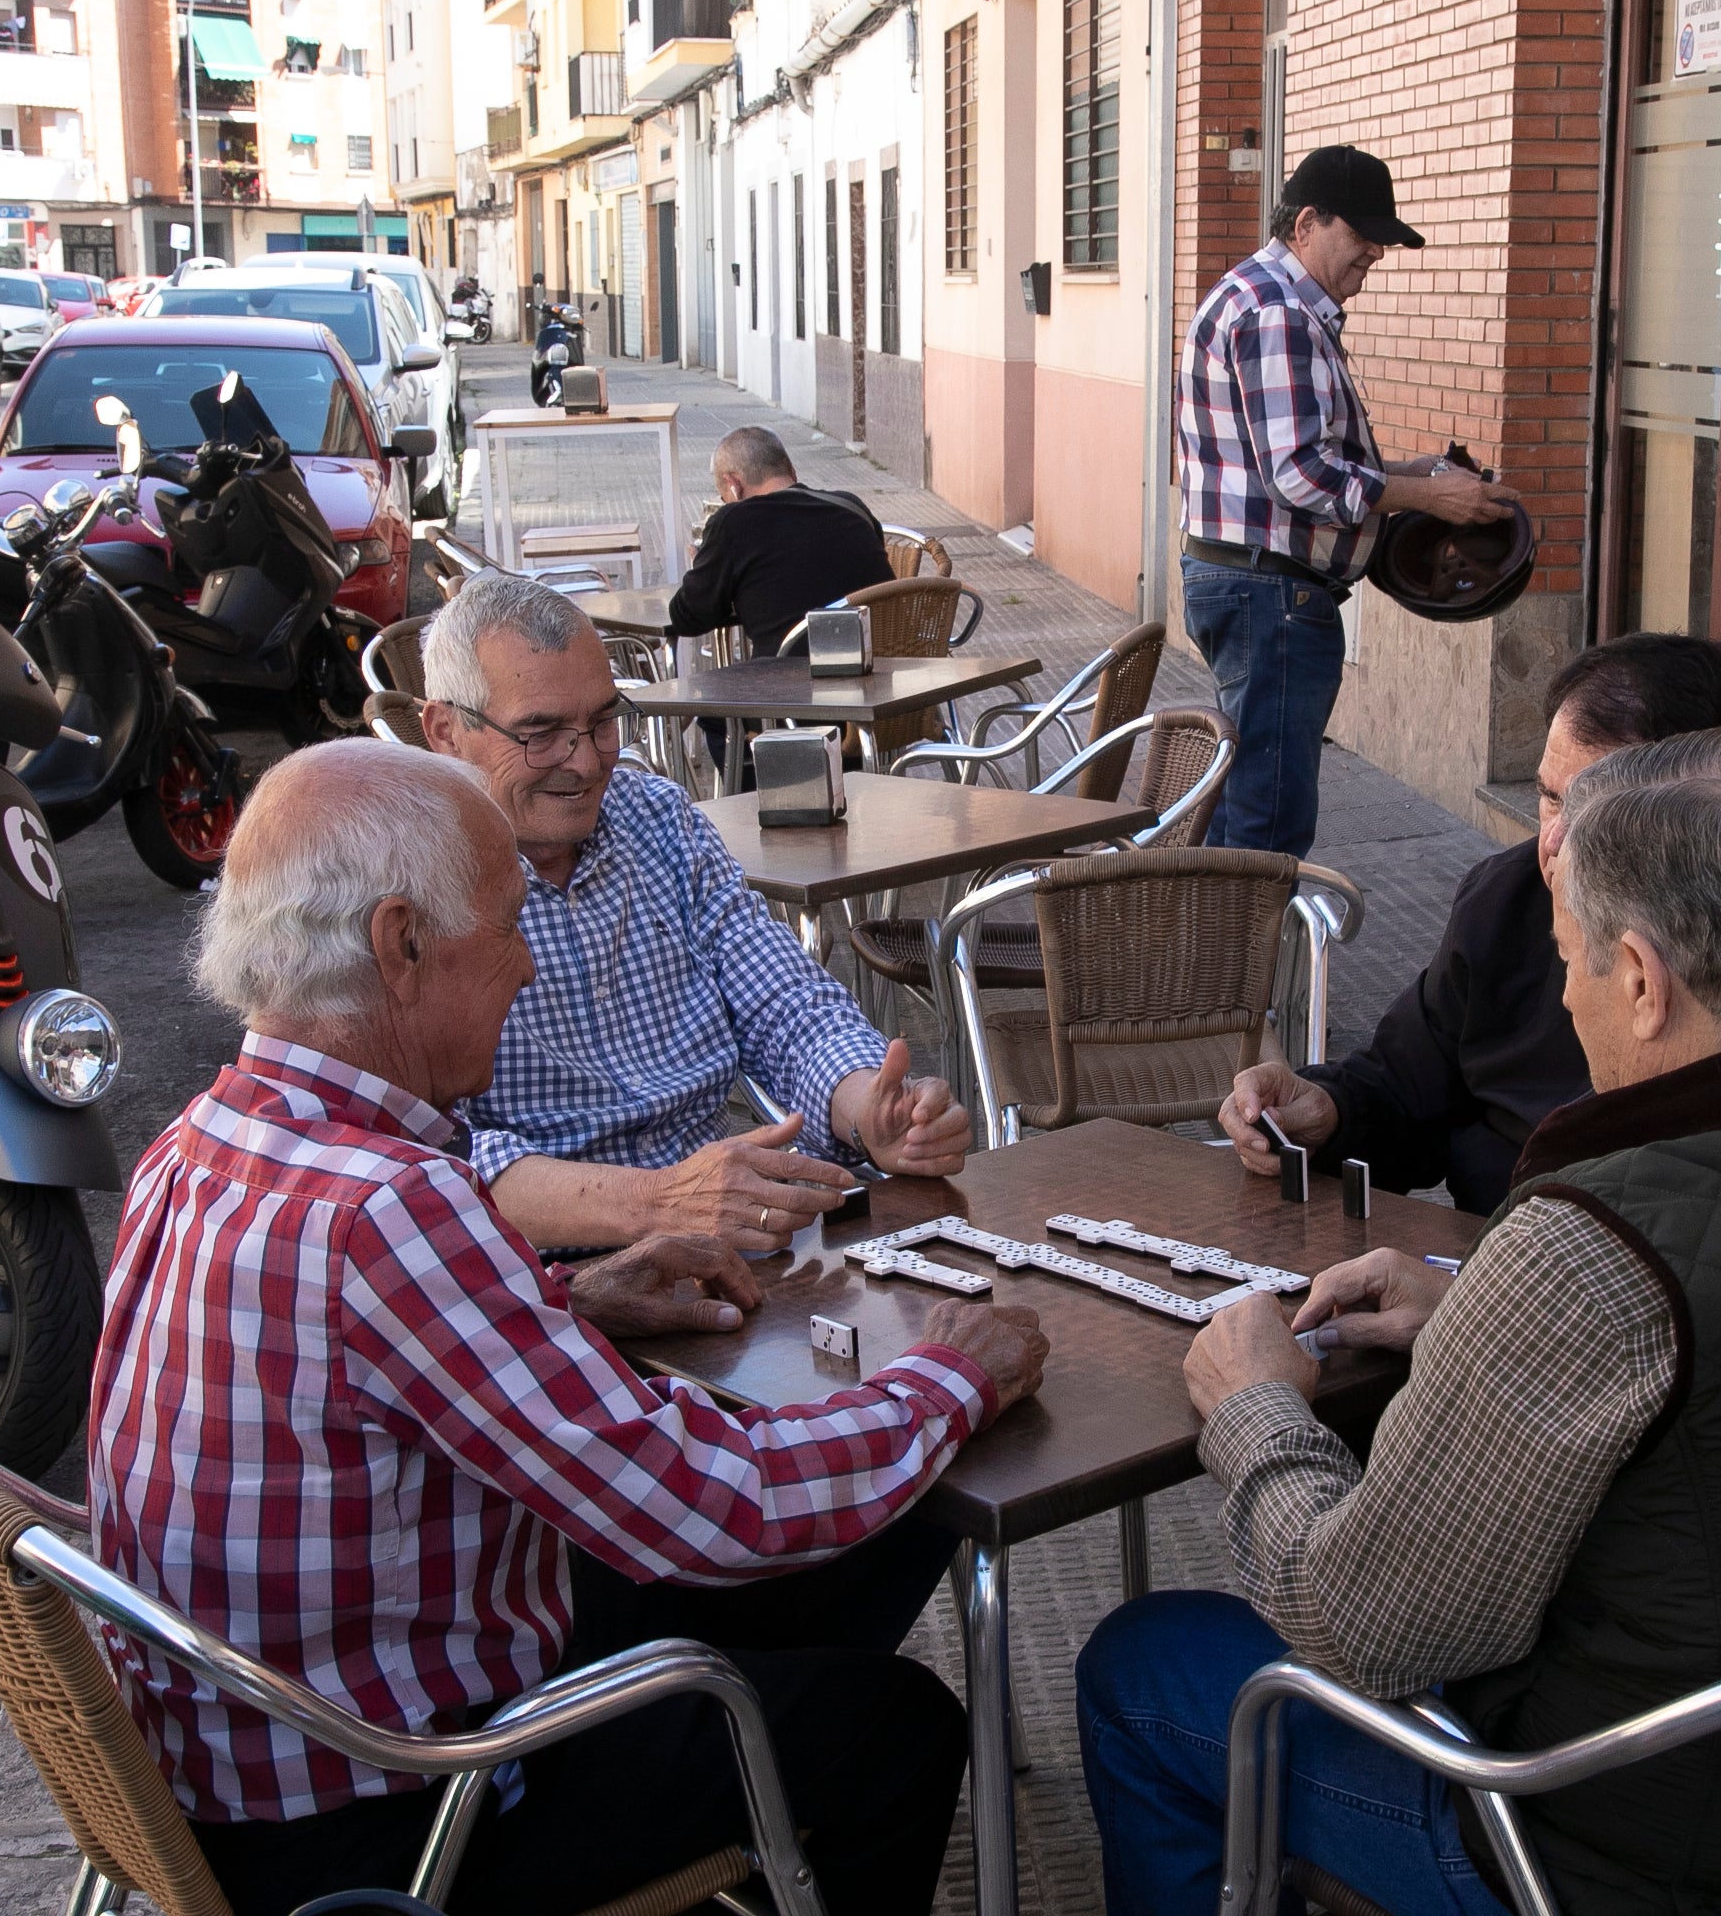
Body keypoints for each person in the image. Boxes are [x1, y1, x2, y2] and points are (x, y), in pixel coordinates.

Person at [1077, 728, 1721, 1916]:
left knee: (1145, 1668)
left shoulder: (1591, 1256)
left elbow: (1360, 1627)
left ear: (1640, 978)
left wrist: (1254, 1405)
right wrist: (1478, 1316)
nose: (1563, 995)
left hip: (1614, 1855)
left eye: (1570, 960)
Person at [90, 740, 1046, 1915]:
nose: (526, 966)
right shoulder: (391, 1209)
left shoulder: (199, 1142)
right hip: (401, 1815)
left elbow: (344, 1373)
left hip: (246, 1750)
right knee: (891, 1726)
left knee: (877, 1522)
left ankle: (746, 1758)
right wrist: (944, 1379)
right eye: (503, 931)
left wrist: (574, 1295)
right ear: (399, 946)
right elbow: (713, 1509)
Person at [1218, 633, 1721, 1213]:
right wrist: (1327, 1109)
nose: (1552, 844)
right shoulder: (1509, 897)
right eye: (1549, 797)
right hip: (1498, 1267)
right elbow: (1406, 1083)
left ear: (1714, 806)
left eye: (1591, 811)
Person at [417, 572, 971, 1251]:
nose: (586, 762)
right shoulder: (403, 886)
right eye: (541, 733)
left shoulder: (654, 818)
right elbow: (425, 1157)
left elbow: (783, 1004)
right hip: (541, 1274)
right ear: (445, 731)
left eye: (602, 722)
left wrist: (871, 1112)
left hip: (720, 1235)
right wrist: (655, 1203)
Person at [1178, 145, 1512, 857]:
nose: (1377, 255)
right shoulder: (1280, 313)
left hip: (1251, 584)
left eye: (1381, 241)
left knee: (1250, 810)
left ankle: (1213, 962)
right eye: (1363, 237)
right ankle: (1233, 968)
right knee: (1266, 830)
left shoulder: (1257, 296)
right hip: (1271, 594)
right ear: (1306, 223)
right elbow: (1298, 476)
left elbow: (1295, 461)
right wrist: (1428, 497)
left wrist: (1410, 471)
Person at [667, 425, 896, 660]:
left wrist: (701, 571)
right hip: (882, 673)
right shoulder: (850, 505)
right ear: (791, 470)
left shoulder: (732, 522)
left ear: (734, 485)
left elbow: (688, 618)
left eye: (724, 497)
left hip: (789, 685)